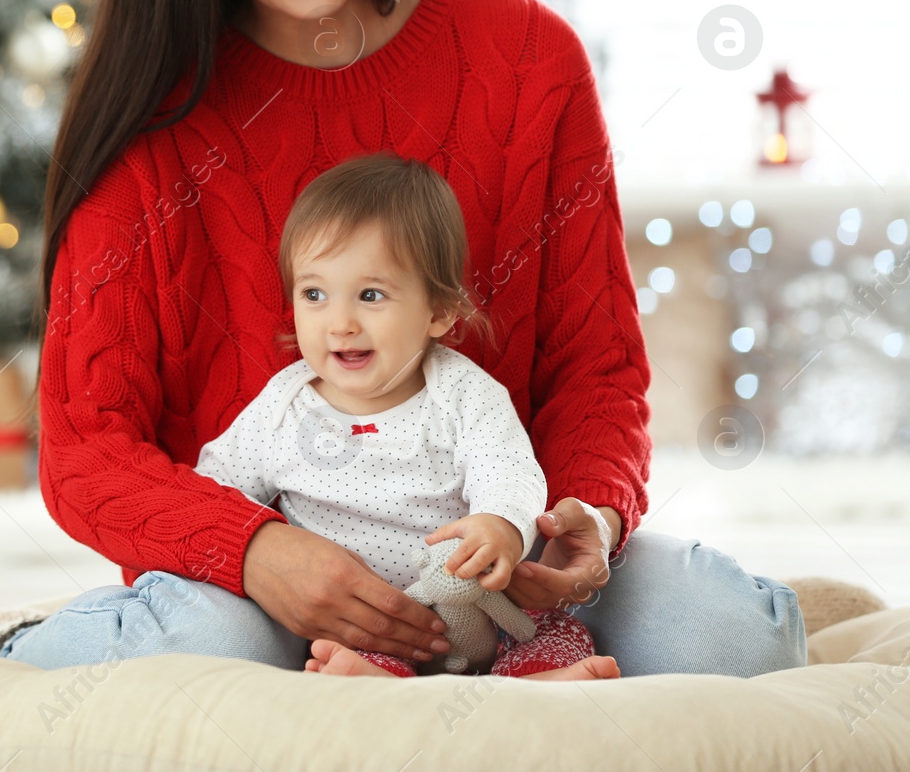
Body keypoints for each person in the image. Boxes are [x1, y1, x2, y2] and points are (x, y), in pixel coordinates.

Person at [0, 0, 805, 677]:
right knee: (208, 644)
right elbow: (86, 448)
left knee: (723, 633)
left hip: (494, 570)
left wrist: (587, 512)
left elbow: (596, 366)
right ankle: (39, 648)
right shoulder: (156, 124)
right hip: (266, 588)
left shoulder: (524, 59)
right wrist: (259, 551)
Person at [192, 152, 618, 680]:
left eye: (371, 295)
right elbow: (213, 492)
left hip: (482, 606)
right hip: (363, 623)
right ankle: (378, 683)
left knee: (558, 630)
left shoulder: (463, 394)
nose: (340, 323)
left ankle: (533, 682)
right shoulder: (282, 407)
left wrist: (502, 526)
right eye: (314, 294)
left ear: (438, 312)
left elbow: (508, 468)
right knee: (339, 653)